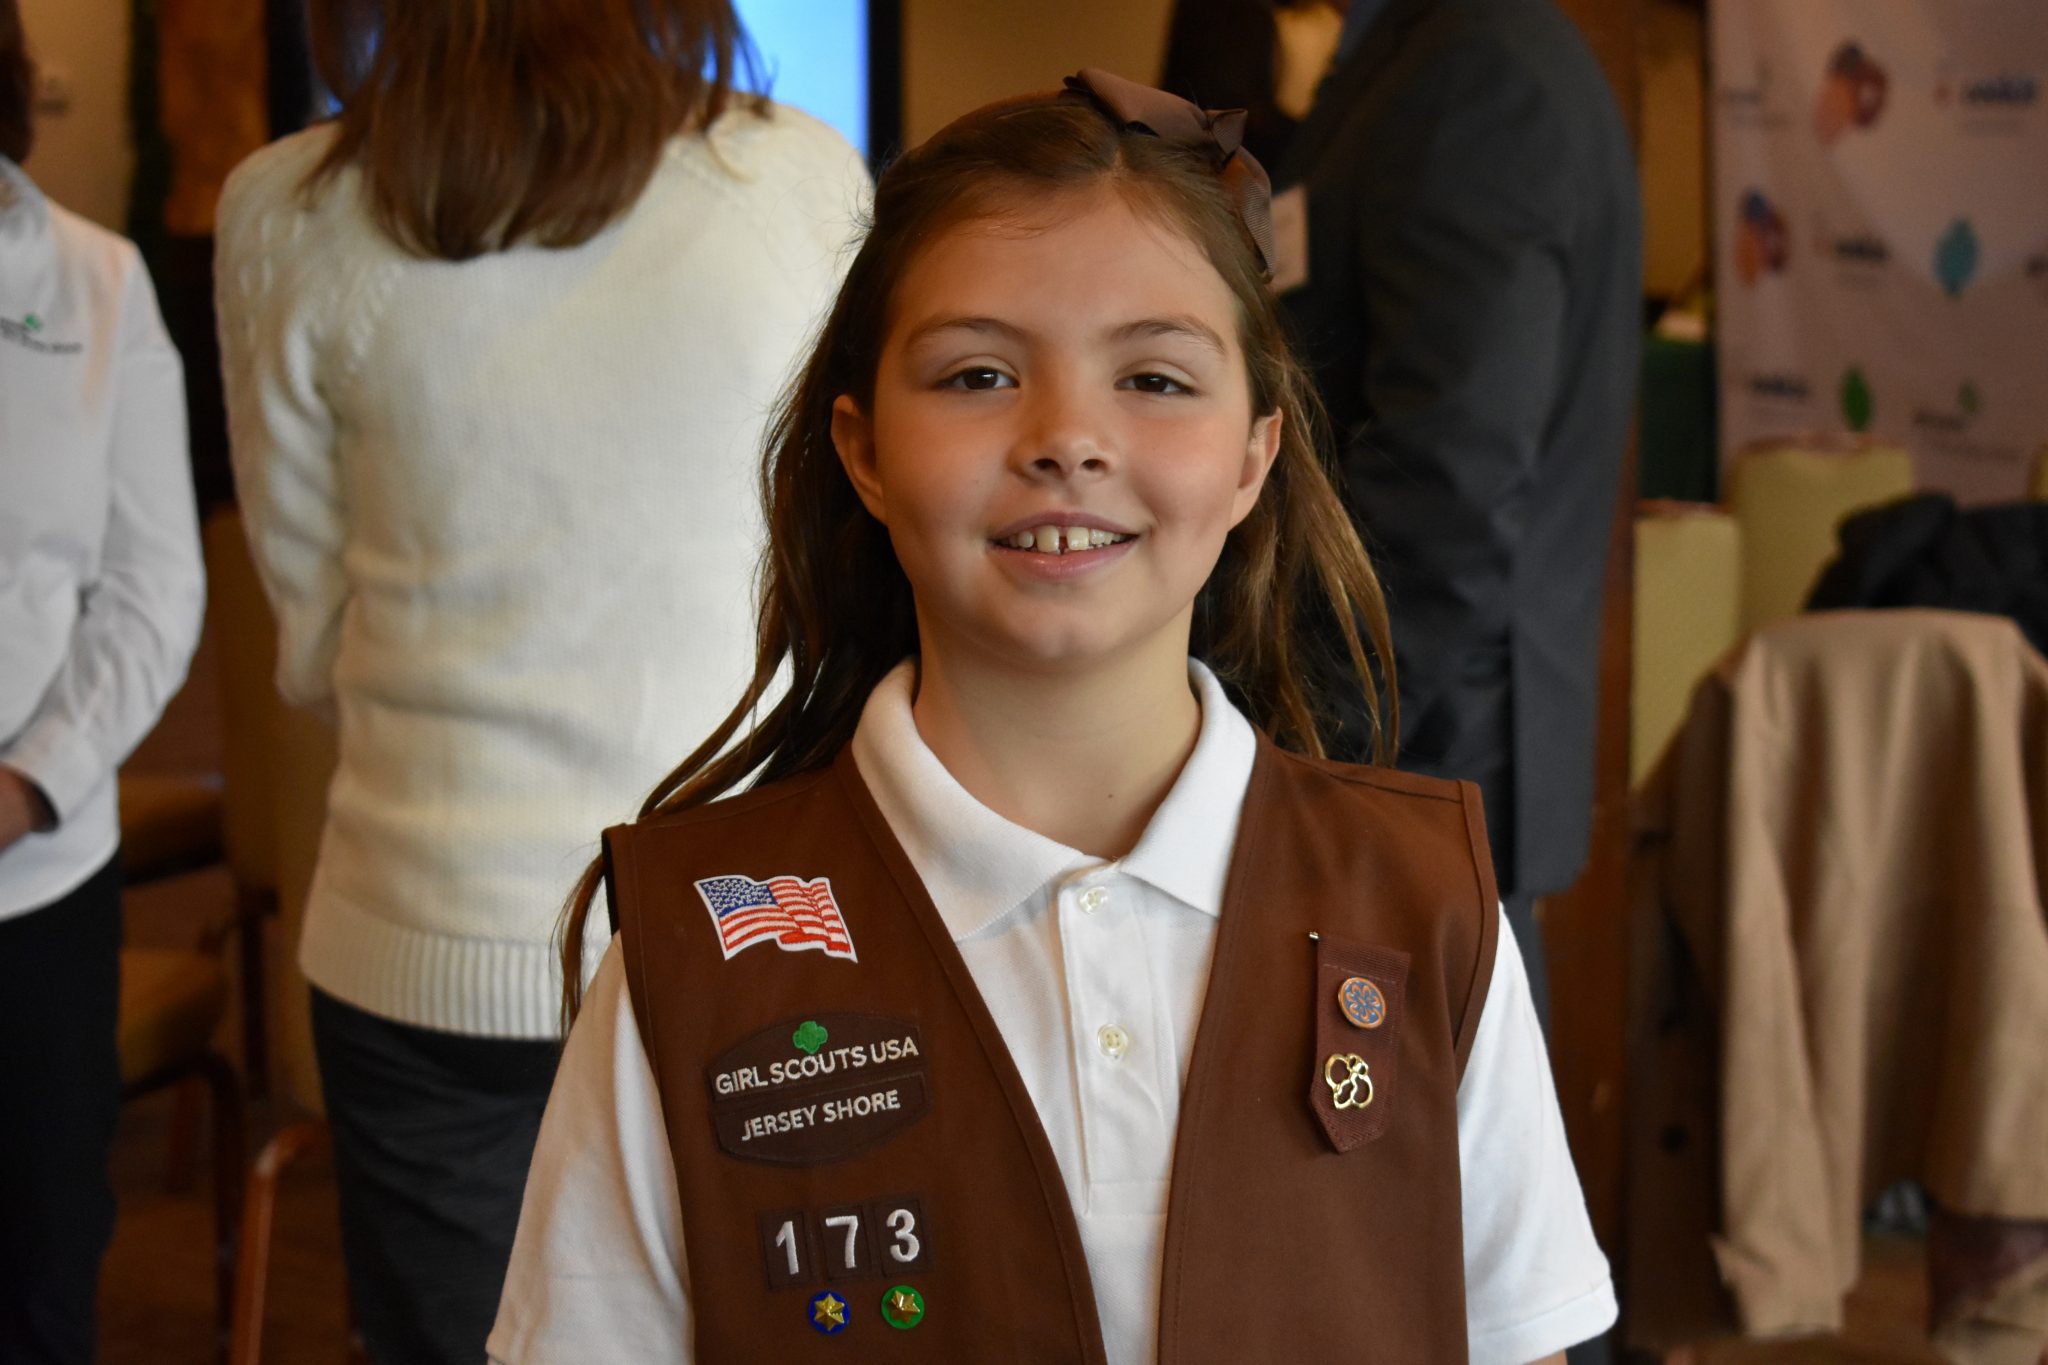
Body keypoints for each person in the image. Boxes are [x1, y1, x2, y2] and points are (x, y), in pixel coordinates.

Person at [489, 70, 1614, 1365]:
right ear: (862, 449)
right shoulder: (696, 951)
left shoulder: (1422, 907)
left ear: (1253, 456)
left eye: (1154, 377)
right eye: (976, 373)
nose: (1067, 437)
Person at [212, 2, 868, 1359]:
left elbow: (311, 621)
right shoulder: (799, 177)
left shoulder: (284, 209)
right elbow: (843, 558)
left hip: (427, 932)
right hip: (757, 922)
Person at [1274, 0, 1643, 1029]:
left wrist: (1302, 742)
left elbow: (1450, 477)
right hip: (1407, 755)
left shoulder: (1476, 72)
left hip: (1413, 758)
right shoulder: (1414, 53)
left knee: (1439, 1177)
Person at [1, 0, 206, 1356]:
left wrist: (27, 785)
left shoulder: (93, 279)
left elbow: (153, 586)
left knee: (35, 1271)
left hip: (32, 885)